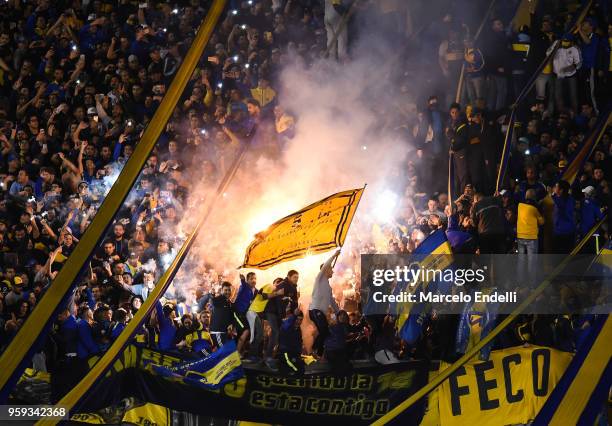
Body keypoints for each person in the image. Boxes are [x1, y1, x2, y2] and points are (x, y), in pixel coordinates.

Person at [309, 249, 341, 357]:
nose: (333, 271)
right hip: (315, 310)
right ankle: (314, 350)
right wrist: (334, 255)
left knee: (326, 332)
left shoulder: (328, 286)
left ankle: (319, 354)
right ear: (326, 270)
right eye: (331, 269)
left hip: (320, 312)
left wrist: (339, 312)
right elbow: (325, 266)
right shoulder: (320, 279)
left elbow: (332, 301)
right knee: (324, 331)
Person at [324, 310, 351, 375]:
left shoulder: (345, 326)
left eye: (344, 315)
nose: (342, 317)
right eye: (341, 315)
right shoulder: (334, 325)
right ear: (338, 317)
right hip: (332, 350)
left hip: (338, 349)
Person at [551, 180, 576, 254]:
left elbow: (559, 204)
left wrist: (551, 194)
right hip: (569, 231)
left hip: (561, 232)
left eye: (556, 187)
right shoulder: (571, 199)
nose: (554, 188)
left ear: (561, 190)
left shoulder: (559, 200)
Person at [278, 308, 304, 375]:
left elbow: (299, 342)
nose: (298, 322)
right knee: (297, 370)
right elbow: (286, 325)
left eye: (300, 320)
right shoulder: (286, 326)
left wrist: (299, 354)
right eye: (297, 319)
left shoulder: (298, 330)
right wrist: (294, 315)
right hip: (285, 353)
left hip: (293, 354)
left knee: (301, 367)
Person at [210, 282, 234, 346]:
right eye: (225, 290)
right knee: (223, 352)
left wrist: (230, 324)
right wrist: (212, 294)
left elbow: (229, 316)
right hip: (217, 332)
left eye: (229, 290)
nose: (228, 292)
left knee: (227, 353)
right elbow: (213, 301)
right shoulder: (219, 299)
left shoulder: (229, 302)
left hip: (224, 332)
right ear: (222, 290)